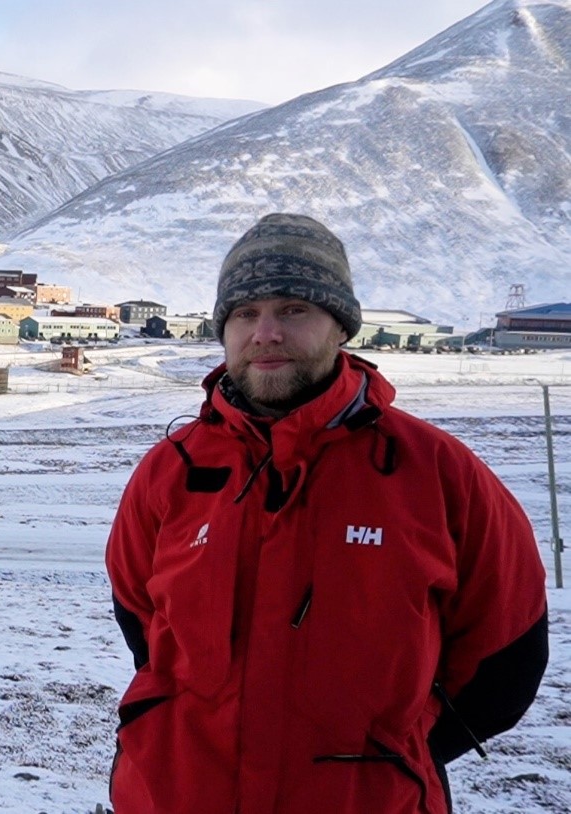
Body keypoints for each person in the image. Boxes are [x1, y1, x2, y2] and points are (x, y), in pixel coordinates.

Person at [106, 213, 548, 814]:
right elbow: (143, 626)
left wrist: (399, 752)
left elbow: (507, 656)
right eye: (244, 313)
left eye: (292, 310)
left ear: (340, 326)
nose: (265, 333)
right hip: (175, 794)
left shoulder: (438, 473)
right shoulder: (170, 471)